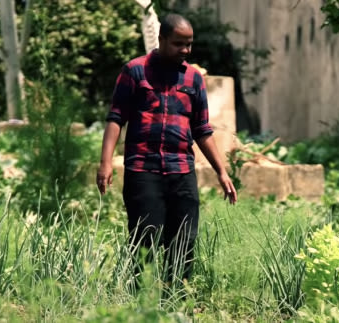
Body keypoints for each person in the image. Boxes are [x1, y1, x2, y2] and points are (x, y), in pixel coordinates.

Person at [96, 13, 237, 287]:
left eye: (189, 44)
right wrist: (105, 163)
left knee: (184, 238)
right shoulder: (135, 72)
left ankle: (176, 298)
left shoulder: (194, 79)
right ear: (161, 39)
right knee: (145, 238)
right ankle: (143, 300)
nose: (185, 50)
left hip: (181, 171)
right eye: (178, 44)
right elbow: (116, 118)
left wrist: (222, 171)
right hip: (142, 170)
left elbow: (202, 129)